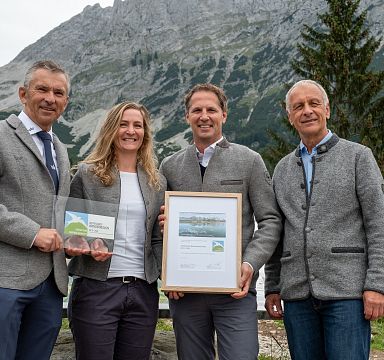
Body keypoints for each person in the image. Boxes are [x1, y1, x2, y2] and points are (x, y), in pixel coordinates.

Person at [159, 83, 282, 360]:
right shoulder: (169, 165)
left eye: (211, 109)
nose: (204, 116)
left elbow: (270, 220)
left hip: (235, 291)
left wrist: (249, 263)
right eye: (197, 110)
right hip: (185, 292)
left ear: (224, 115)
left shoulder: (249, 160)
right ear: (187, 117)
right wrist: (165, 273)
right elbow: (156, 229)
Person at [264, 79, 384, 360]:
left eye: (313, 103)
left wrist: (377, 284)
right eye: (298, 106)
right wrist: (272, 287)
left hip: (347, 293)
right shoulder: (281, 169)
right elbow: (277, 232)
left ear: (327, 110)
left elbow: (378, 223)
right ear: (290, 116)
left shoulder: (358, 157)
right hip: (296, 296)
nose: (307, 111)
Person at [66, 101, 166, 360]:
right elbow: (72, 230)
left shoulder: (156, 180)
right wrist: (87, 244)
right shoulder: (87, 174)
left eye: (137, 125)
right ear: (111, 129)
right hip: (96, 289)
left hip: (143, 290)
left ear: (145, 133)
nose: (130, 131)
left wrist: (173, 274)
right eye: (123, 124)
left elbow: (157, 237)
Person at [0, 60, 71, 359]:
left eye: (59, 92)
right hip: (7, 280)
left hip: (51, 285)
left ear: (66, 101)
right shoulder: (1, 135)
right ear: (22, 93)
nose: (50, 98)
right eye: (42, 89)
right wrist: (32, 233)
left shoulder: (60, 149)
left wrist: (87, 240)